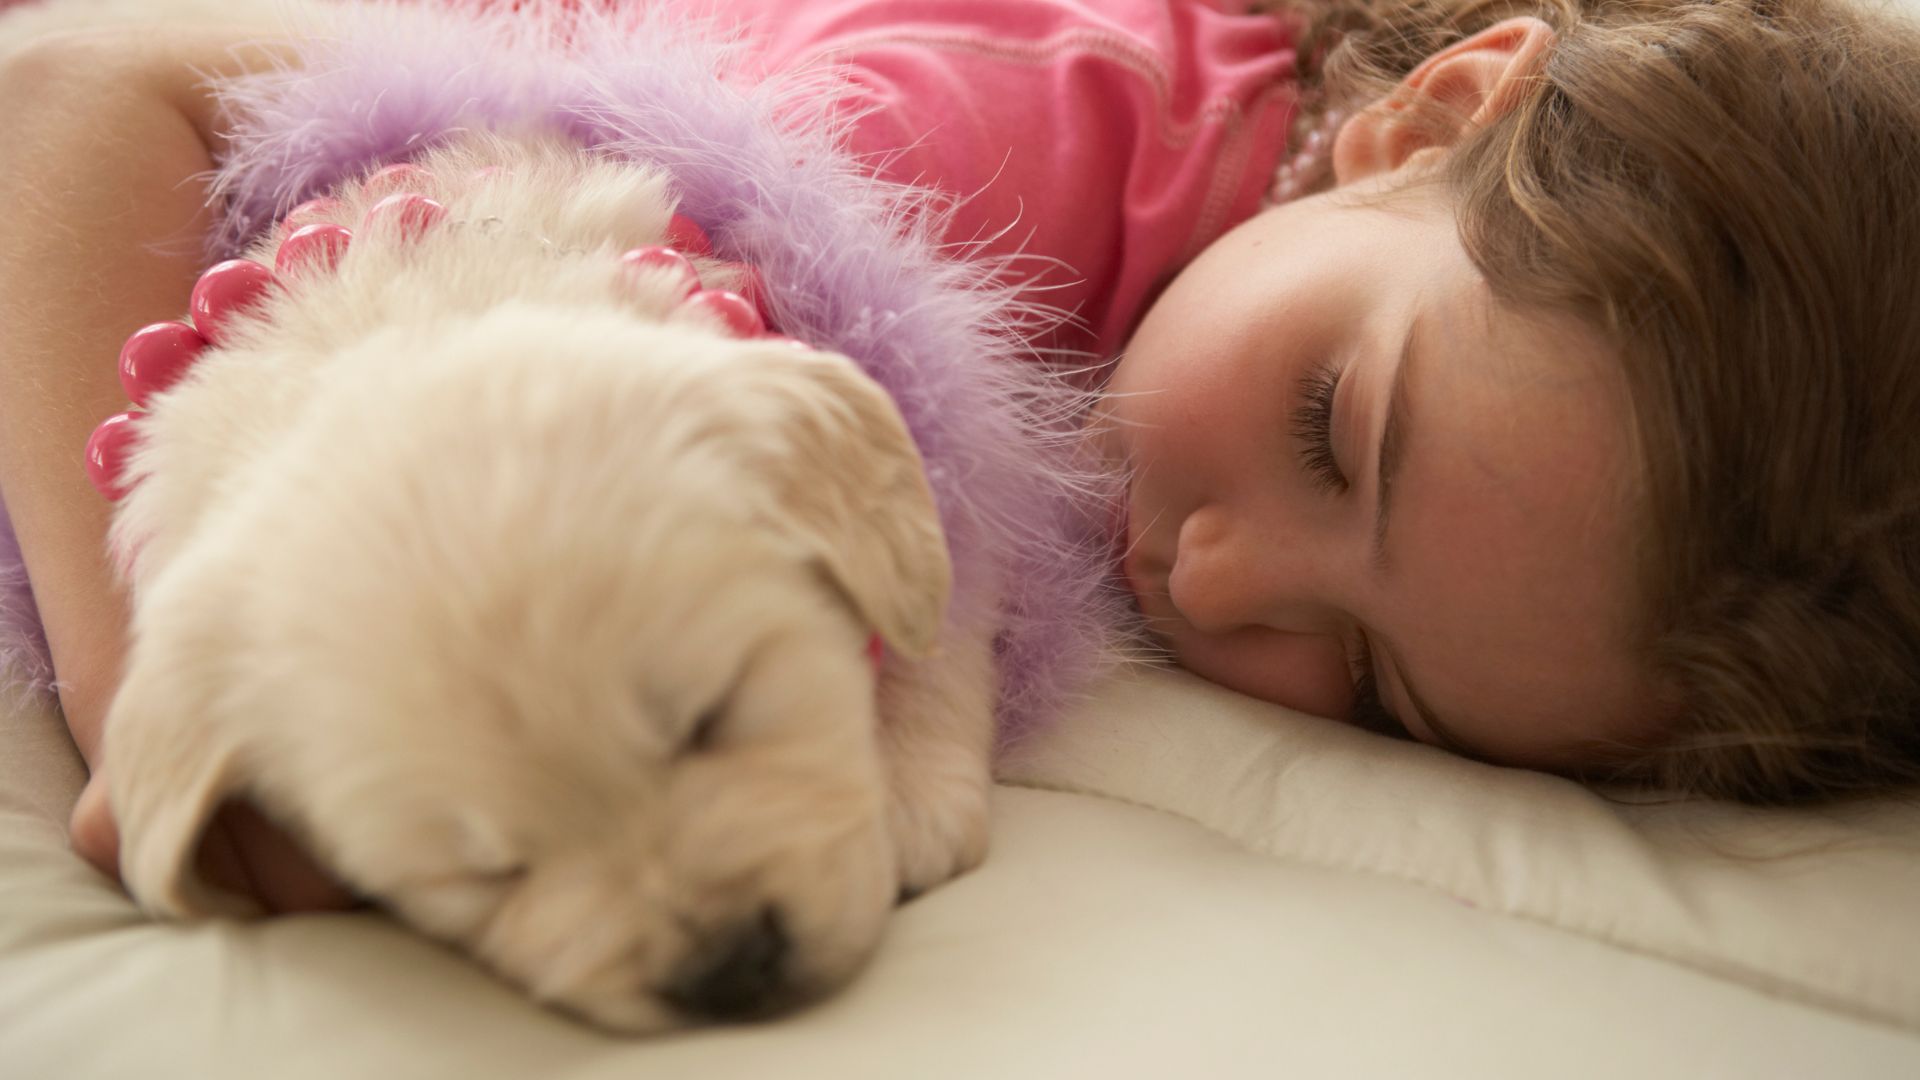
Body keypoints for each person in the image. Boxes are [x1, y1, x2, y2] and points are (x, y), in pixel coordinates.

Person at [1, 0, 1917, 916]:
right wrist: (156, 661)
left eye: (1371, 683)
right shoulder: (948, 160)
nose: (1222, 581)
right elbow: (89, 90)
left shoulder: (1313, 366)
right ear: (1428, 114)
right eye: (1337, 430)